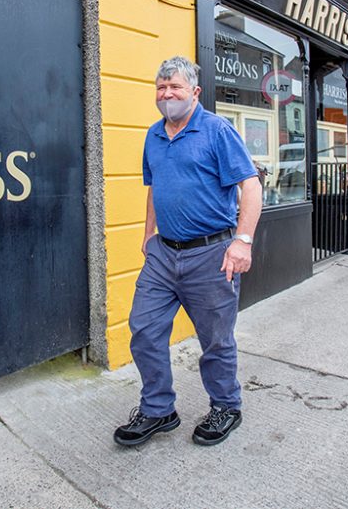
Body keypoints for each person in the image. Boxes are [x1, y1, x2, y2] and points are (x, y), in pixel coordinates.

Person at [113, 56, 262, 448]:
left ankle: (226, 406)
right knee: (144, 330)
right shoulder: (153, 135)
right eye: (161, 89)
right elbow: (154, 186)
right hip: (163, 254)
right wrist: (149, 235)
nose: (167, 95)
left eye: (175, 88)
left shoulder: (216, 130)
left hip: (211, 254)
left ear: (194, 92)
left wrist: (242, 241)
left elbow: (251, 185)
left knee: (215, 340)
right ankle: (158, 409)